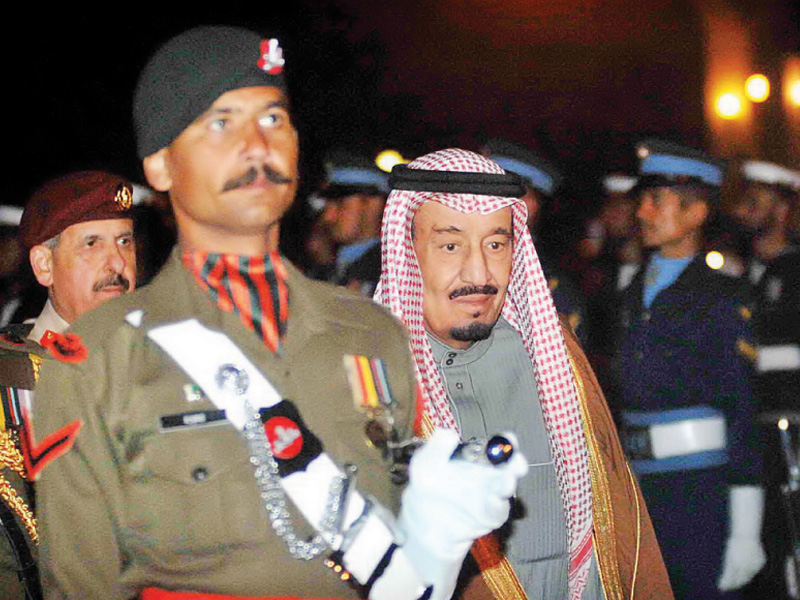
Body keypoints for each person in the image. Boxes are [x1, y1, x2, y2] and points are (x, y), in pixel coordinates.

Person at [32, 26, 526, 600]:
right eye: (221, 123)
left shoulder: (372, 332)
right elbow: (80, 584)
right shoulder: (98, 357)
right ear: (161, 167)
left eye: (273, 119)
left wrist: (437, 532)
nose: (257, 143)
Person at [374, 147, 673, 600]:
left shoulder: (555, 354)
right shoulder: (373, 377)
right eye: (450, 245)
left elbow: (616, 523)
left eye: (496, 244)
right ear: (406, 250)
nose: (479, 271)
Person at [615, 139, 764, 599]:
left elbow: (742, 412)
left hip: (701, 495)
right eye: (642, 199)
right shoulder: (631, 292)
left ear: (696, 214)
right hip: (640, 491)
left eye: (655, 201)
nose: (642, 211)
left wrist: (745, 529)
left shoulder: (722, 296)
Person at [0, 170, 137, 600]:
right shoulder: (8, 378)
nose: (116, 264)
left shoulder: (166, 366)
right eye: (92, 244)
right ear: (44, 265)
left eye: (125, 241)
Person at [734, 160, 800, 598]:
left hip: (792, 431)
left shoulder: (794, 273)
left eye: (754, 201)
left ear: (780, 209)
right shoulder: (743, 275)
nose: (742, 210)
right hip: (758, 433)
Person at [482, 138, 587, 342]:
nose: (486, 204)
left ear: (529, 206)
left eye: (500, 195)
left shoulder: (549, 293)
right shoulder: (451, 264)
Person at [317, 149, 390, 296]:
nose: (328, 216)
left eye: (340, 204)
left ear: (372, 204)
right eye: (326, 205)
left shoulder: (391, 275)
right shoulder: (326, 270)